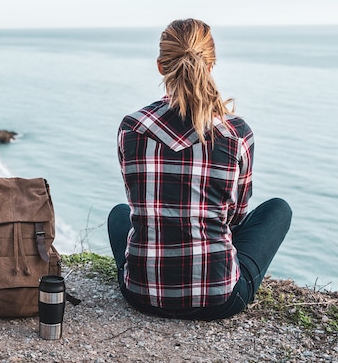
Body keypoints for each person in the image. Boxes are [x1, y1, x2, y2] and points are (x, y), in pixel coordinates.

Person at [108, 18, 291, 320]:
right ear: (211, 64)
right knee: (279, 209)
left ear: (160, 66)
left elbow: (138, 203)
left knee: (118, 214)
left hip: (141, 294)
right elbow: (237, 218)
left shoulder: (132, 128)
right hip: (218, 300)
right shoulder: (236, 133)